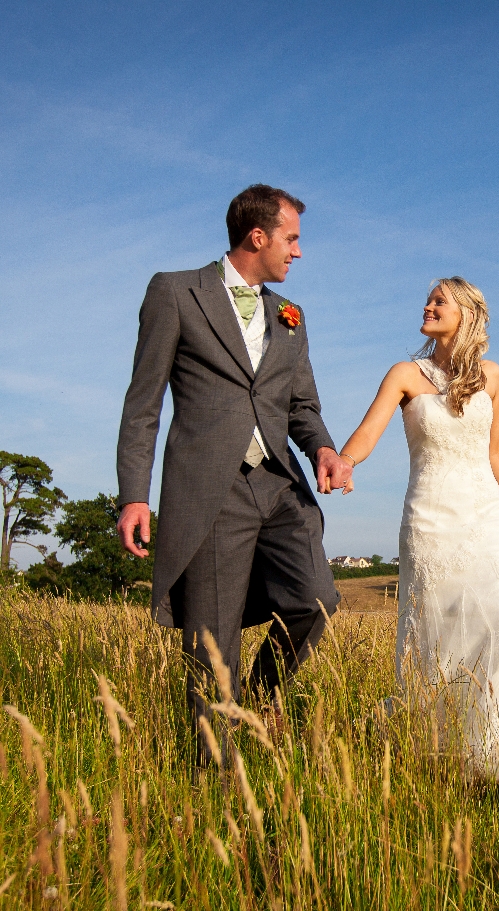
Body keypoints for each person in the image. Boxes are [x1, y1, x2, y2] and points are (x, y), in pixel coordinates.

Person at [116, 184, 352, 763]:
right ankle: (213, 779)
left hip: (279, 482)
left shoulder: (289, 317)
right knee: (212, 640)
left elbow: (302, 406)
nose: (297, 252)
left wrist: (321, 448)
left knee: (316, 599)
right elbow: (143, 403)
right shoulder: (176, 292)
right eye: (291, 239)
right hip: (212, 490)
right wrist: (133, 496)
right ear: (258, 236)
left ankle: (260, 701)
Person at [339, 277, 499, 805]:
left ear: (468, 313)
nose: (428, 306)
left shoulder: (493, 376)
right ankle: (438, 755)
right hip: (430, 521)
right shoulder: (405, 374)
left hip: (486, 521)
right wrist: (343, 460)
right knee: (435, 638)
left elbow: (495, 450)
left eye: (440, 301)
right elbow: (368, 433)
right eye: (428, 299)